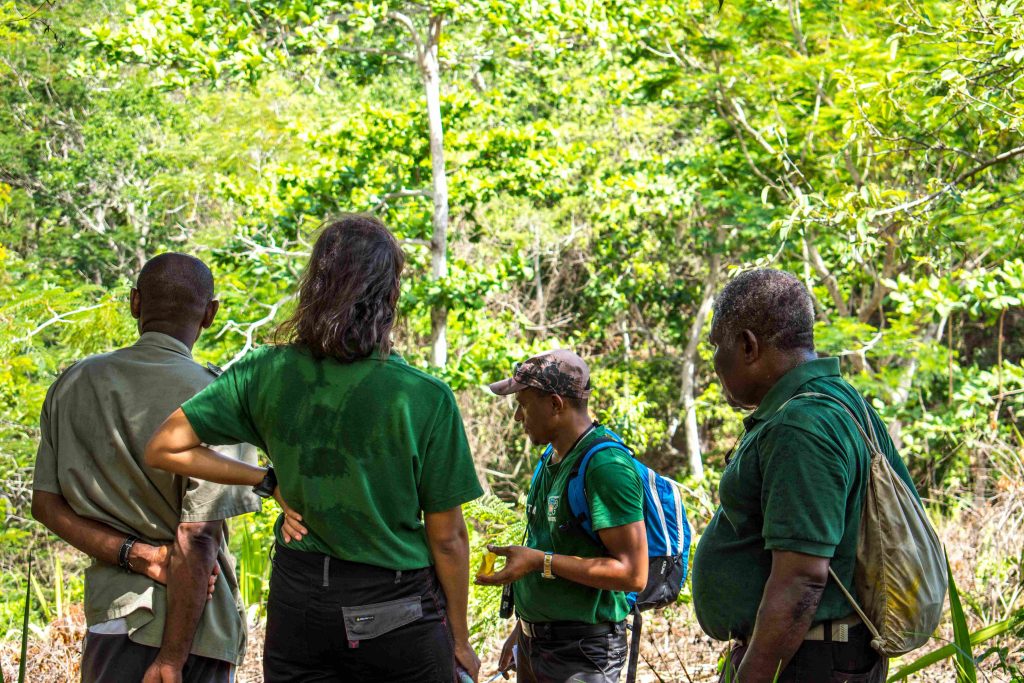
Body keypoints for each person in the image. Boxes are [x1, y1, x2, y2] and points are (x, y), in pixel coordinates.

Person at [143, 214, 485, 683]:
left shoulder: (263, 370)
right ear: (389, 295)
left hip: (300, 603)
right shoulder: (422, 396)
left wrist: (265, 480)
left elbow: (164, 447)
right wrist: (461, 640)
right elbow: (448, 538)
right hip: (396, 610)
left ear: (315, 286)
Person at [32, 253, 263, 683]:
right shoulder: (216, 399)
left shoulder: (73, 384)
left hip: (113, 619)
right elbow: (198, 537)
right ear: (211, 314)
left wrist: (137, 556)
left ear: (134, 303)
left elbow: (46, 505)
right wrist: (171, 659)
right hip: (194, 632)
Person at [692, 268, 917, 682]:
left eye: (715, 346)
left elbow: (801, 581)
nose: (714, 362)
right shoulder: (841, 400)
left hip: (808, 661)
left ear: (747, 345)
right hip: (811, 653)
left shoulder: (801, 425)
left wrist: (755, 673)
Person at [477, 350, 648, 683]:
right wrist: (522, 633)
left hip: (583, 651)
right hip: (536, 643)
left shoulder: (606, 467)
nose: (517, 417)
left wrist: (539, 562)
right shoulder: (550, 459)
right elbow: (550, 543)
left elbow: (633, 574)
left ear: (556, 405)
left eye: (523, 405)